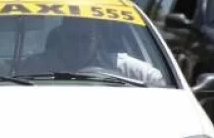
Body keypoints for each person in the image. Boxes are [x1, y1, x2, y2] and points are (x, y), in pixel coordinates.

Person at [19, 17, 167, 87]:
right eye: (72, 37)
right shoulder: (34, 68)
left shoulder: (129, 71)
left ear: (97, 39)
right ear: (61, 36)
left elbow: (160, 84)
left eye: (85, 38)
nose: (78, 45)